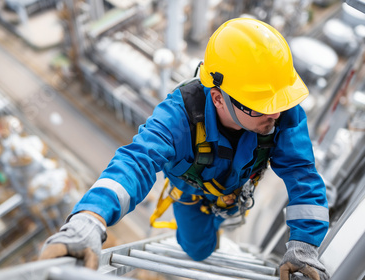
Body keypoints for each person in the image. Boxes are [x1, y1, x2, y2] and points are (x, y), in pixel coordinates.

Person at [39, 18, 330, 280]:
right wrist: (90, 218)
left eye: (279, 104)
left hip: (235, 192)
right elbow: (137, 161)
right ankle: (207, 237)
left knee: (213, 236)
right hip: (192, 197)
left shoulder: (281, 111)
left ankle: (217, 229)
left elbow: (301, 173)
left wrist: (305, 245)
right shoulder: (178, 117)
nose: (276, 115)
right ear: (218, 98)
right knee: (198, 251)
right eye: (263, 107)